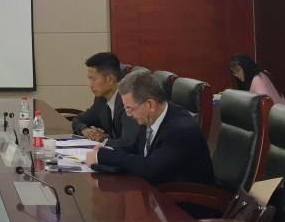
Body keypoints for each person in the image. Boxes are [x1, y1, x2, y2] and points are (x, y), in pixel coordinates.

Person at [86, 69, 214, 186]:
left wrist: (105, 156)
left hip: (183, 198)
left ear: (150, 105)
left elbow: (150, 168)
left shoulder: (180, 130)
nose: (128, 114)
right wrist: (107, 149)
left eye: (130, 109)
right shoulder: (150, 117)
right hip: (157, 191)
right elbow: (135, 149)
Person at [71, 52, 140, 149]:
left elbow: (128, 144)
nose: (90, 85)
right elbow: (78, 120)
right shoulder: (101, 100)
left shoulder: (128, 102)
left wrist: (102, 140)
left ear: (110, 79)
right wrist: (85, 130)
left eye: (93, 79)